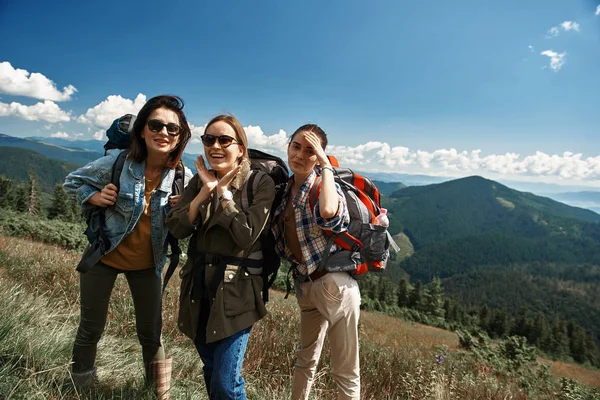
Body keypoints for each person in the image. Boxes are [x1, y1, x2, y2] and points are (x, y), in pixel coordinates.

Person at [63, 95, 193, 398]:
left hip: (148, 265)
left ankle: (157, 393)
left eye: (172, 129)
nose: (163, 133)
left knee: (151, 334)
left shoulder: (182, 178)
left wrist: (185, 207)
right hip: (104, 256)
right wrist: (93, 197)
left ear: (180, 137)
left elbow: (189, 223)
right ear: (143, 131)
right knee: (90, 328)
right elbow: (72, 181)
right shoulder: (117, 163)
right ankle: (79, 388)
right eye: (156, 125)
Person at [167, 114, 275, 399]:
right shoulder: (202, 180)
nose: (215, 146)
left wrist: (224, 195)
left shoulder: (259, 183)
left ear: (241, 147)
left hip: (236, 292)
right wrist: (204, 192)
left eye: (224, 139)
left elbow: (246, 235)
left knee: (225, 384)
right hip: (199, 289)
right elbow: (177, 228)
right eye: (209, 139)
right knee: (212, 370)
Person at [272, 124, 361, 400]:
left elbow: (330, 213)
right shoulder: (286, 189)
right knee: (304, 360)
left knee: (345, 371)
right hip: (307, 286)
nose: (299, 155)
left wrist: (325, 165)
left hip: (334, 286)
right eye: (296, 146)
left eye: (310, 150)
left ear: (320, 155)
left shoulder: (324, 185)